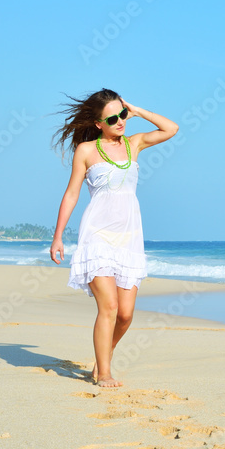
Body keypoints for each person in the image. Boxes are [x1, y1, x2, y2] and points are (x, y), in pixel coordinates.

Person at [49, 89, 178, 387]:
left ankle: (102, 357)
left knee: (126, 315)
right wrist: (58, 237)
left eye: (122, 114)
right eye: (112, 117)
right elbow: (71, 195)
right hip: (97, 235)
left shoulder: (134, 144)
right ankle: (104, 373)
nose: (120, 121)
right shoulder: (86, 151)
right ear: (97, 123)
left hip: (130, 238)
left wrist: (137, 110)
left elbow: (171, 129)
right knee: (108, 307)